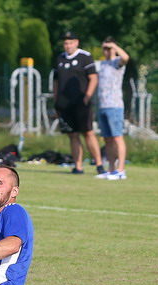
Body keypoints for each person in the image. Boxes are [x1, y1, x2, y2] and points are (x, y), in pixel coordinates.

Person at [53, 31, 105, 175]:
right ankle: (78, 166)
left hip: (81, 103)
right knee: (72, 134)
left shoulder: (85, 57)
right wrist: (56, 98)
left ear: (76, 42)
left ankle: (99, 164)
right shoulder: (60, 58)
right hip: (65, 104)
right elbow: (56, 81)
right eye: (66, 43)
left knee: (88, 132)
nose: (68, 46)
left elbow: (93, 78)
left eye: (70, 43)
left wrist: (87, 97)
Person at [95, 37, 130, 180]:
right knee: (107, 139)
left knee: (117, 137)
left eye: (109, 48)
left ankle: (121, 169)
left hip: (114, 105)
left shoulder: (117, 63)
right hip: (103, 105)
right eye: (105, 48)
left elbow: (126, 58)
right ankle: (111, 169)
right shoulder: (102, 64)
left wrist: (114, 46)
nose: (107, 51)